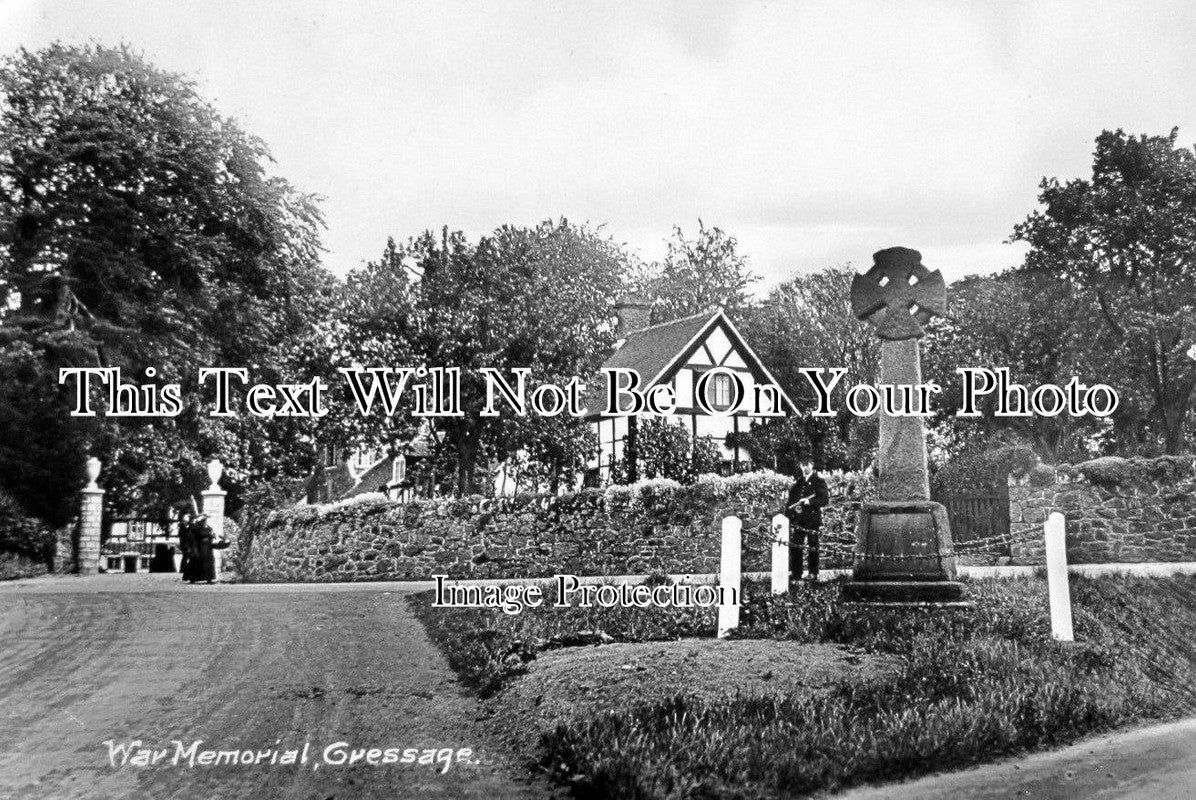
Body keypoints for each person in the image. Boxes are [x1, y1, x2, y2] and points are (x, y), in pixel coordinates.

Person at [785, 459, 829, 582]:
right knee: (796, 546)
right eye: (802, 465)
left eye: (807, 465)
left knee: (813, 546)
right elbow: (791, 501)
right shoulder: (799, 482)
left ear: (812, 465)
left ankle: (813, 573)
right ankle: (796, 573)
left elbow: (824, 500)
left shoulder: (818, 481)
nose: (805, 468)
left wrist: (810, 501)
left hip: (812, 519)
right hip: (799, 520)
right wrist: (788, 514)